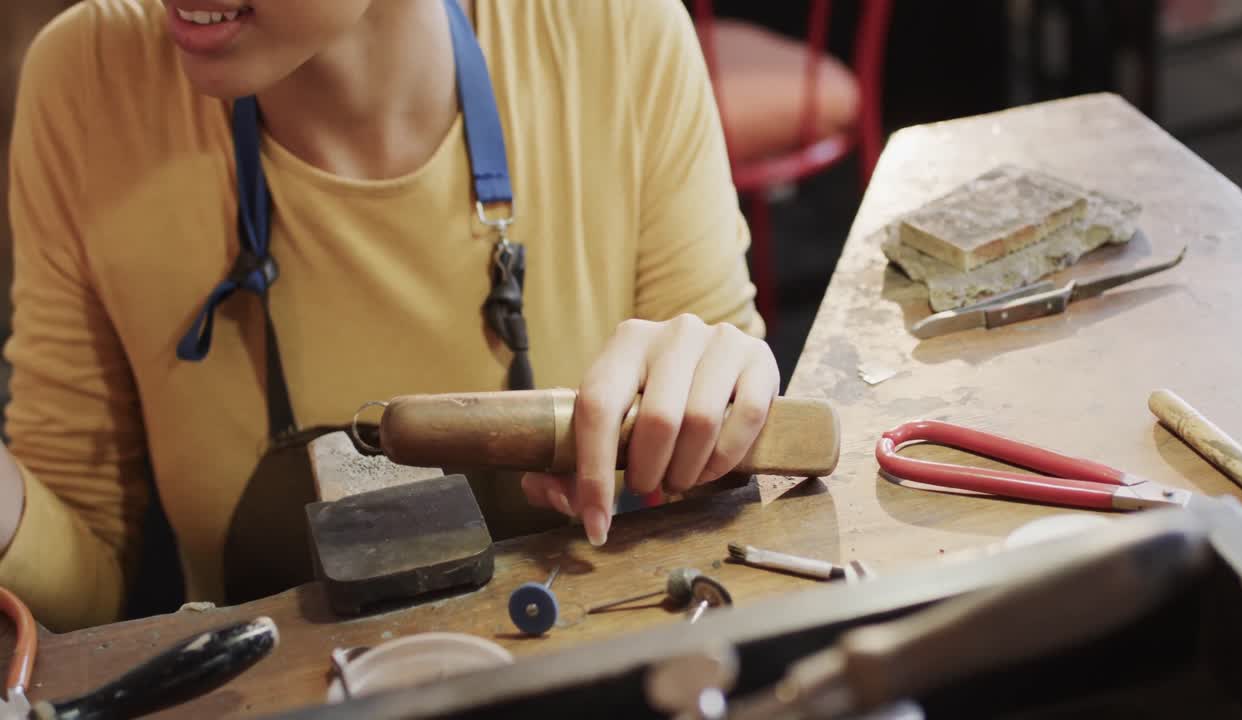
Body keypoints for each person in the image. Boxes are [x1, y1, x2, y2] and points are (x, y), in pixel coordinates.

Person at [0, 0, 777, 632]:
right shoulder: (90, 82)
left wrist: (722, 397)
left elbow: (746, 508)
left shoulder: (613, 33)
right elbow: (82, 596)